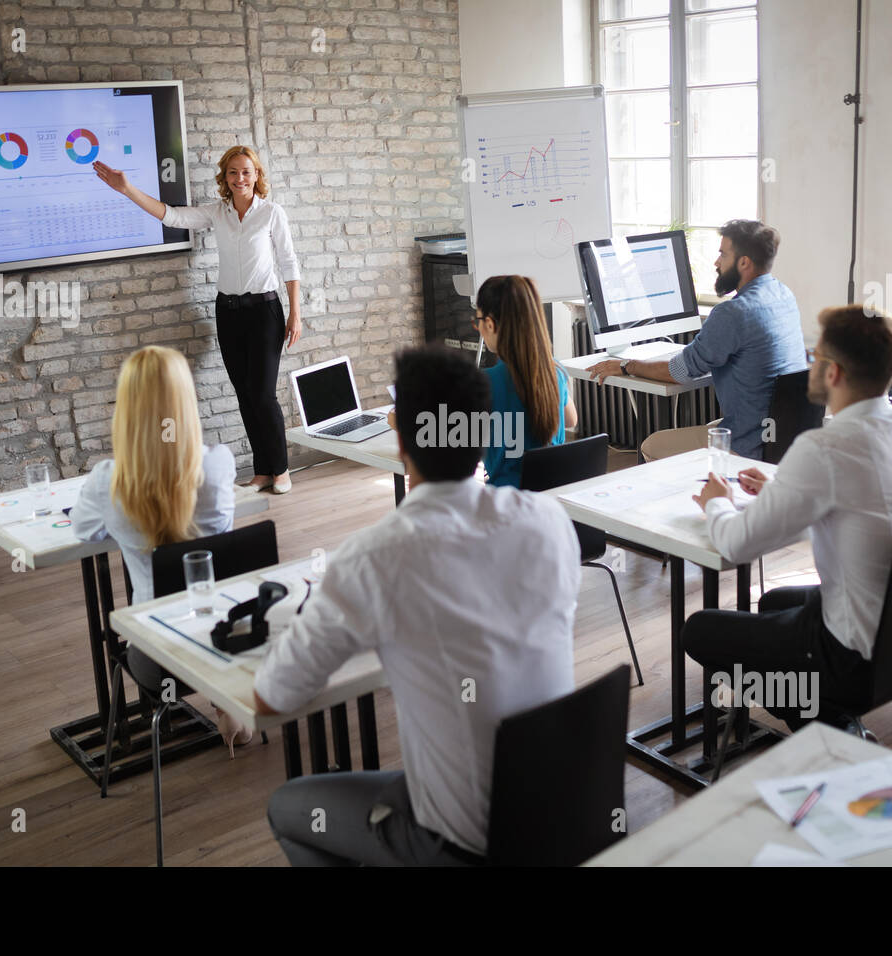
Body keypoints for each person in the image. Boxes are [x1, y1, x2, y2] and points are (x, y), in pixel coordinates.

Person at [258, 345, 582, 865]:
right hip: (563, 812)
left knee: (288, 808)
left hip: (466, 842)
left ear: (402, 441)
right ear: (484, 430)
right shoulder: (547, 520)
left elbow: (274, 697)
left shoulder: (375, 558)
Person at [683, 306, 892, 730]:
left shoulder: (826, 446)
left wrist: (716, 501)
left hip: (856, 660)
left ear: (834, 373)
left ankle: (832, 735)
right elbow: (865, 514)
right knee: (773, 603)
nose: (809, 361)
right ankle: (830, 725)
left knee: (699, 630)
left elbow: (735, 545)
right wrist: (782, 494)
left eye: (815, 355)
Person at [69, 346, 248, 754]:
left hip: (160, 659)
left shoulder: (108, 482)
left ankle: (215, 702)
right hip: (230, 642)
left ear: (127, 409)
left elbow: (83, 530)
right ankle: (225, 698)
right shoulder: (219, 466)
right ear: (186, 401)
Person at [94, 145, 301, 494]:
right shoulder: (217, 213)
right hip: (228, 313)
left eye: (246, 172)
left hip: (265, 312)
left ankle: (281, 470)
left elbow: (290, 263)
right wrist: (126, 189)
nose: (240, 178)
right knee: (245, 394)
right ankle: (263, 471)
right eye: (233, 172)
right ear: (225, 177)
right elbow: (171, 216)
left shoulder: (271, 213)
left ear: (257, 176)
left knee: (263, 395)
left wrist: (295, 313)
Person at [590, 219, 806, 461]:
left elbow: (677, 372)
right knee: (714, 423)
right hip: (782, 435)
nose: (716, 262)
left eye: (723, 254)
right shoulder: (783, 295)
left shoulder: (733, 313)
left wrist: (625, 366)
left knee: (652, 444)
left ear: (744, 262)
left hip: (748, 444)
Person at [473, 275, 578, 487]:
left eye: (479, 320)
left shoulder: (485, 383)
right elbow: (570, 421)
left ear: (490, 325)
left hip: (505, 505)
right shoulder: (555, 370)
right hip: (551, 500)